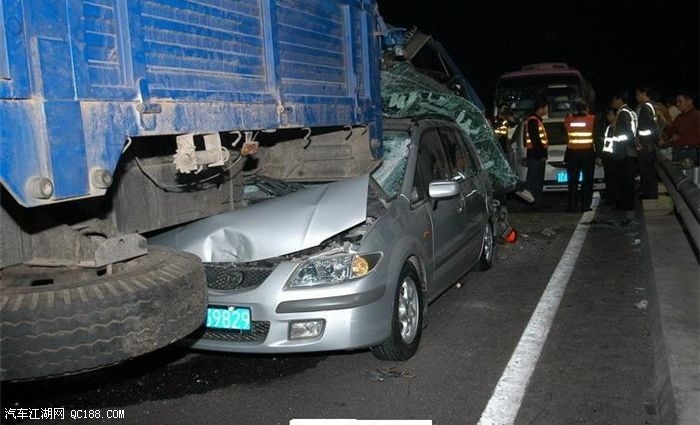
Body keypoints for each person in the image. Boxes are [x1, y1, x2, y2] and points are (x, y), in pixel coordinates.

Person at [563, 101, 596, 211]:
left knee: (572, 181)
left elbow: (565, 128)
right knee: (587, 181)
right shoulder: (592, 119)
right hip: (587, 154)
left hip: (572, 154)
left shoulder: (569, 119)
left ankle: (571, 206)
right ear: (587, 108)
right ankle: (585, 205)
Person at [610, 91, 638, 211]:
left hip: (624, 153)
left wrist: (617, 143)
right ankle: (627, 204)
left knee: (624, 181)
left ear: (619, 100)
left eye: (613, 100)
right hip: (629, 152)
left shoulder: (623, 113)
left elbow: (627, 134)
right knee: (627, 181)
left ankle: (625, 204)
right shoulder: (631, 112)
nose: (612, 103)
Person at [634, 87, 660, 199]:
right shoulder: (650, 107)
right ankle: (649, 193)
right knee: (648, 172)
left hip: (646, 147)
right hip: (648, 145)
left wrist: (642, 143)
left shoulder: (646, 107)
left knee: (646, 172)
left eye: (638, 94)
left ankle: (649, 194)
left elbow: (648, 128)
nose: (636, 97)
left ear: (644, 94)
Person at [524, 98, 549, 210]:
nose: (547, 109)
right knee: (534, 182)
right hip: (535, 157)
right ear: (540, 108)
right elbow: (536, 140)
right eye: (546, 107)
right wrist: (541, 155)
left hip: (536, 156)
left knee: (537, 182)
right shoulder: (533, 120)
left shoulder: (536, 120)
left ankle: (536, 204)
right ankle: (532, 204)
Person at [664, 91, 700, 167]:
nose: (677, 104)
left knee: (687, 177)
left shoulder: (697, 116)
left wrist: (680, 138)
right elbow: (671, 131)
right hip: (677, 150)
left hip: (689, 151)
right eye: (677, 102)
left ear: (689, 101)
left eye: (680, 102)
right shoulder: (679, 117)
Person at [599, 107, 617, 204]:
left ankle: (614, 199)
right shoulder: (609, 127)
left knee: (613, 180)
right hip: (607, 157)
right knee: (609, 179)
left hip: (614, 157)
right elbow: (606, 143)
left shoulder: (618, 128)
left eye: (610, 114)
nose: (608, 116)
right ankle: (610, 198)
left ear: (615, 116)